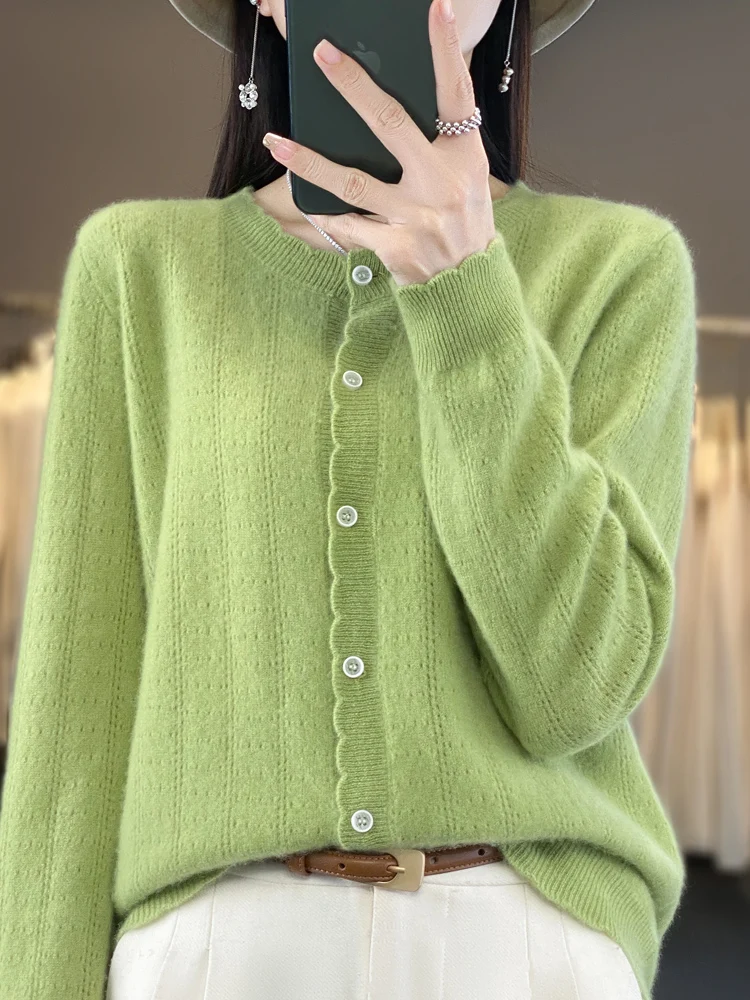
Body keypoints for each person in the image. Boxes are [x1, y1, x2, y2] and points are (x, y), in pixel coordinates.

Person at [0, 1, 698, 998]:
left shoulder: (620, 270)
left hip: (523, 944)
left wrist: (467, 291)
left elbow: (576, 690)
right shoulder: (139, 269)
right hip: (216, 951)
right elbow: (75, 722)